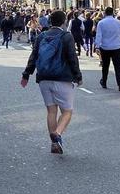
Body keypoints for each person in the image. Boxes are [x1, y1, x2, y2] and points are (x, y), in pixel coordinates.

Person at [21, 8, 82, 154]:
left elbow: (33, 56)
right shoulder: (66, 36)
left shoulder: (41, 36)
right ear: (63, 21)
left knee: (51, 111)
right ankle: (58, 134)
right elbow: (72, 58)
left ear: (50, 21)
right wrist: (78, 76)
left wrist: (26, 74)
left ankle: (54, 144)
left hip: (44, 79)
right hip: (62, 78)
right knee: (67, 111)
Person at [94, 6, 120, 92]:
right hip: (117, 47)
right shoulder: (119, 23)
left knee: (105, 65)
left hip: (105, 47)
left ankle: (104, 82)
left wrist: (97, 46)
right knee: (117, 66)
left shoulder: (101, 23)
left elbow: (99, 35)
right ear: (113, 13)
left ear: (105, 13)